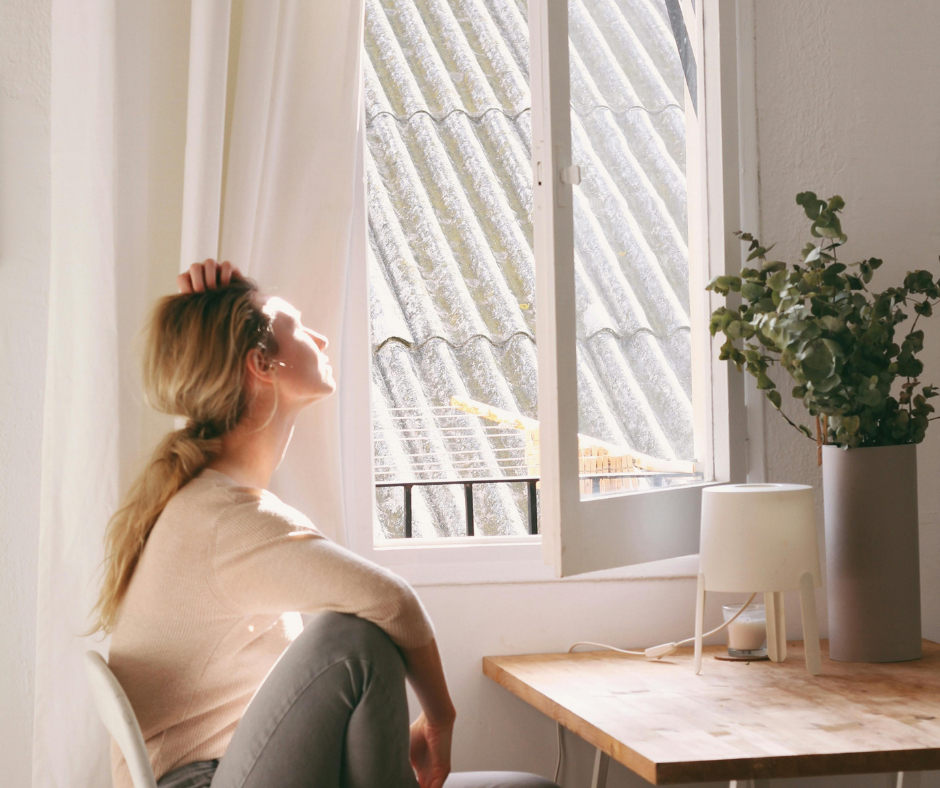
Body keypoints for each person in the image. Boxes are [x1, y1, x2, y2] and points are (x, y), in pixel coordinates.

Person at [92, 260, 558, 788]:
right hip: (202, 781)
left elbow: (273, 701)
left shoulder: (214, 503)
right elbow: (393, 602)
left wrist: (394, 740)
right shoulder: (222, 518)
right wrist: (441, 718)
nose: (319, 338)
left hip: (236, 767)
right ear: (260, 365)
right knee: (352, 637)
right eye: (297, 327)